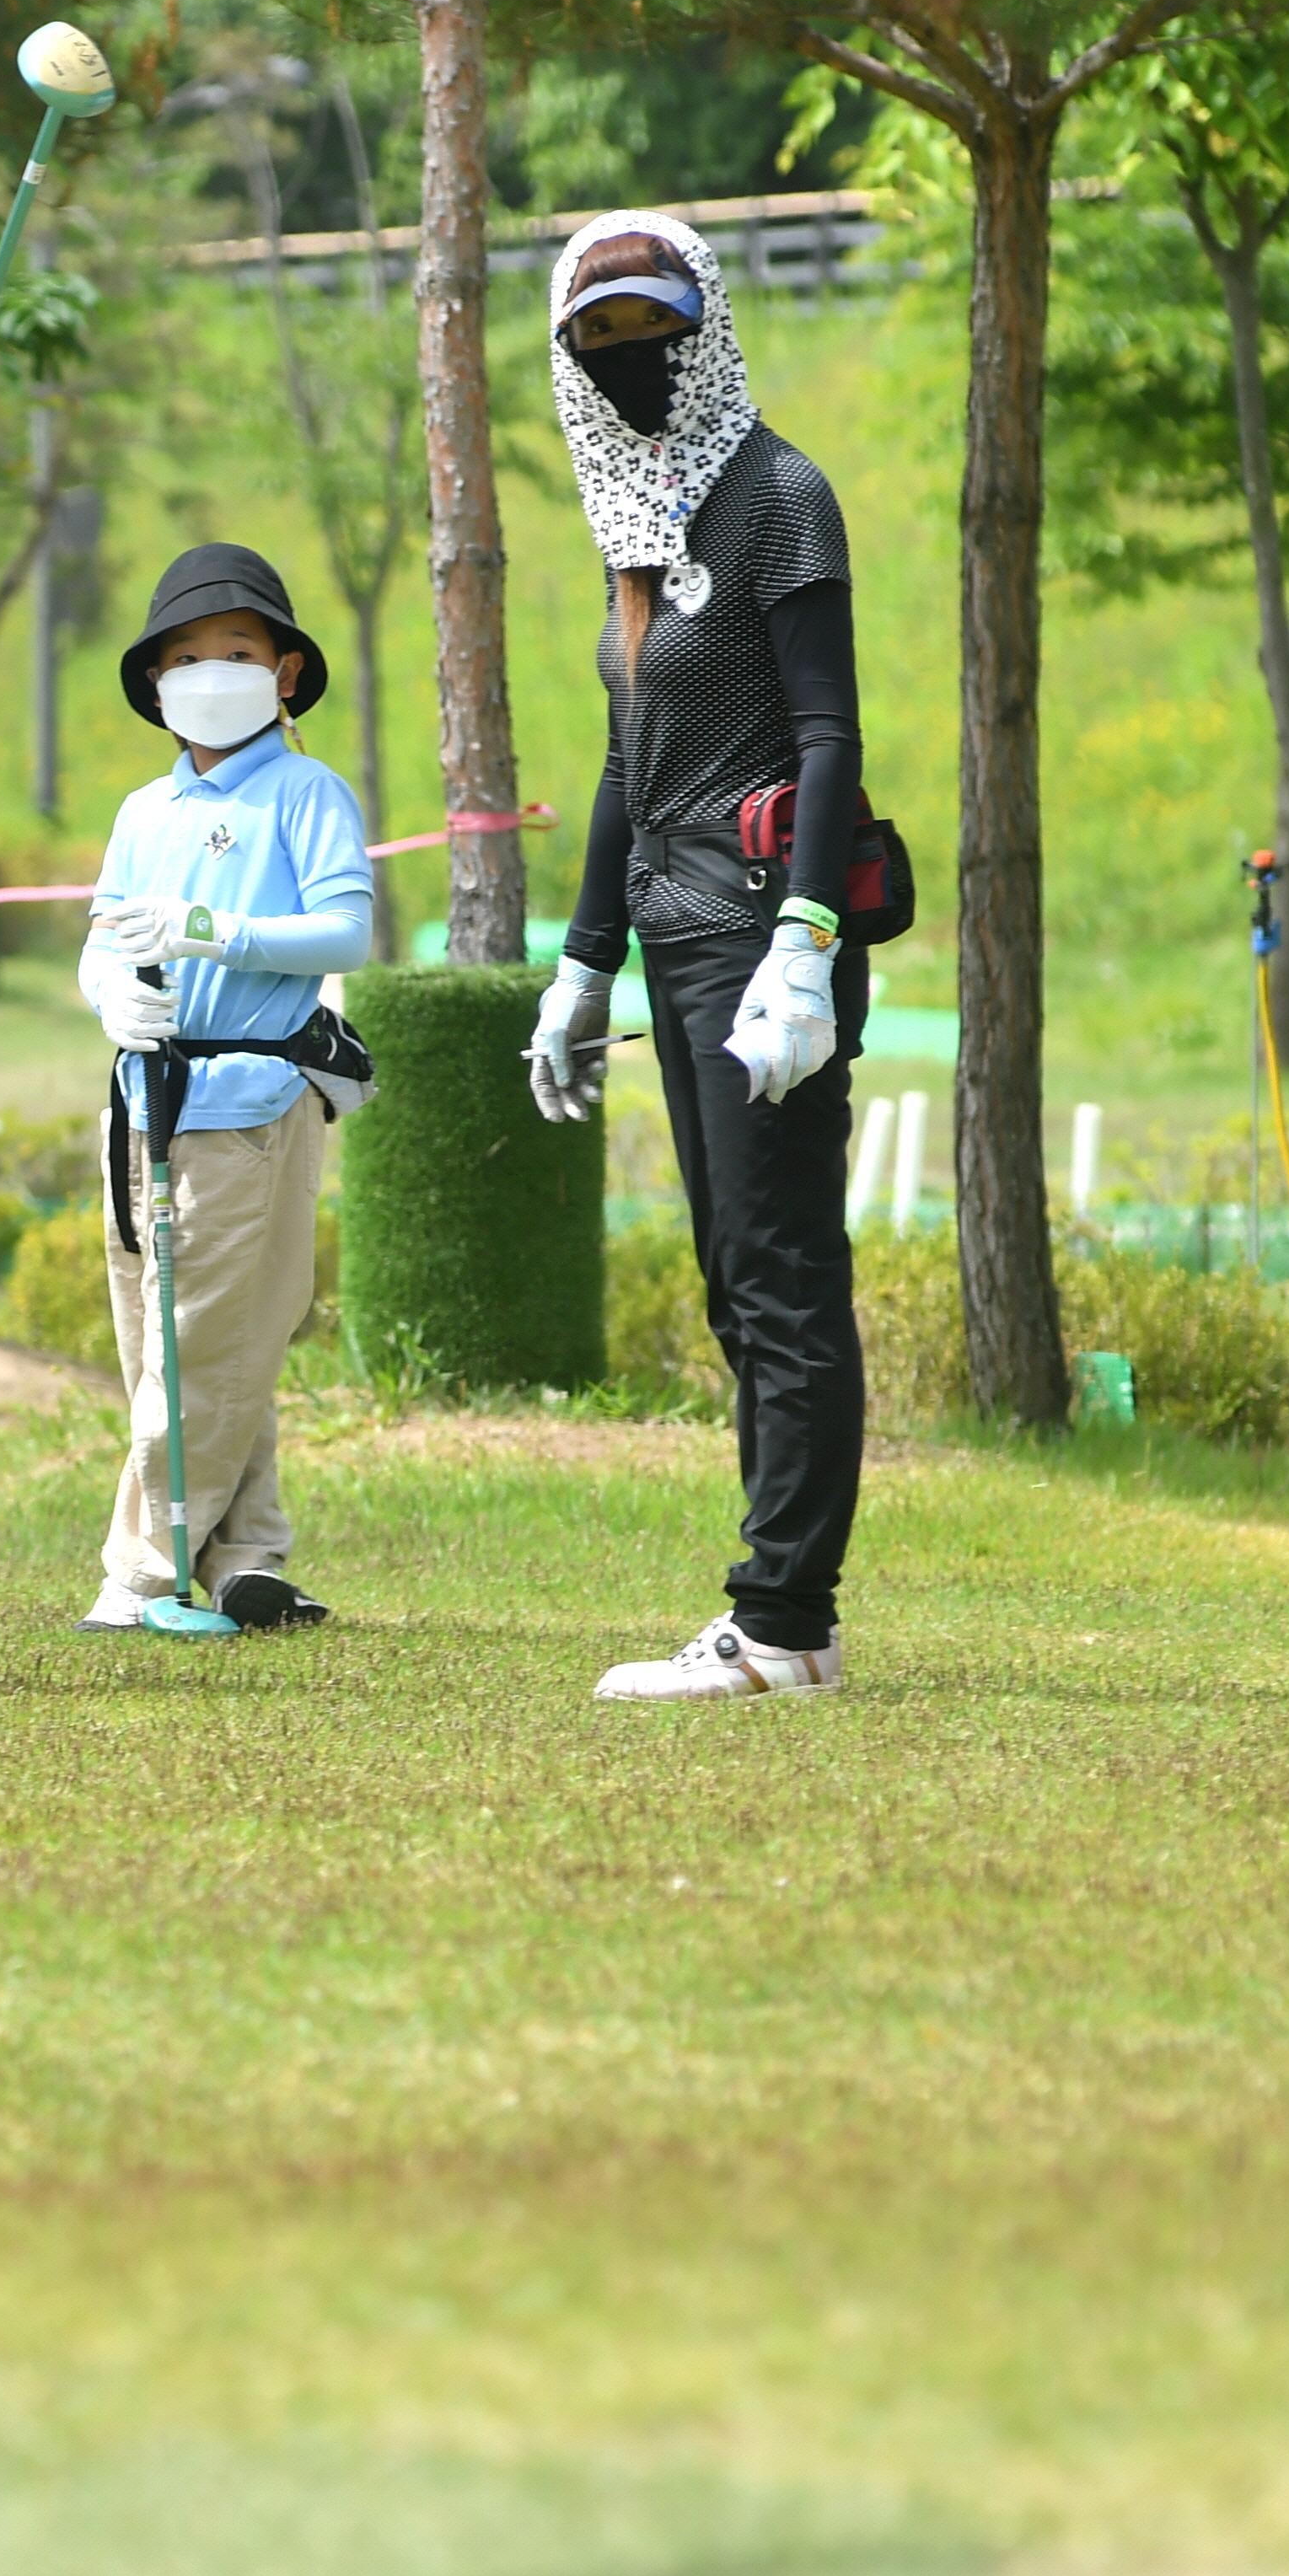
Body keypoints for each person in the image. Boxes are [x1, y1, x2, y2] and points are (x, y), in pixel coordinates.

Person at [521, 212, 876, 1702]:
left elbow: (827, 735)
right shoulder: (635, 527)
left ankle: (782, 1620)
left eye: (655, 329)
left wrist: (807, 935)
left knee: (785, 1272)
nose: (632, 363)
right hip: (674, 939)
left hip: (760, 935)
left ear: (707, 323)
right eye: (598, 341)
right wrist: (581, 960)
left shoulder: (777, 498)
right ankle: (777, 1608)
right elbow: (626, 760)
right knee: (737, 1275)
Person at [73, 543, 375, 1635]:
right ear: (154, 683)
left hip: (246, 1104)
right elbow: (101, 942)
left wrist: (211, 931)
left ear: (284, 672)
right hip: (143, 1099)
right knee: (180, 1338)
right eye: (186, 655)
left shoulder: (304, 792)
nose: (210, 671)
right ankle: (247, 1553)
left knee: (202, 1343)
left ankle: (143, 1571)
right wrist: (113, 996)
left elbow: (345, 927)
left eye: (237, 651)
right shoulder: (142, 810)